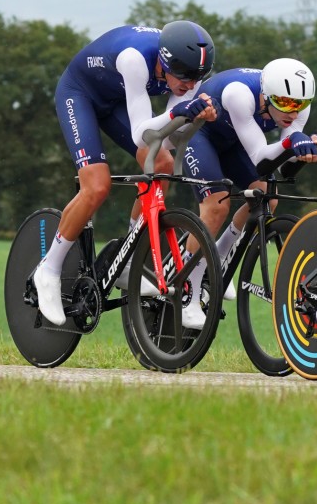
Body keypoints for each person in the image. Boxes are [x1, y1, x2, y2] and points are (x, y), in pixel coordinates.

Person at [34, 20, 218, 329]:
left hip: (115, 101)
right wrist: (179, 113)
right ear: (165, 61)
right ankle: (49, 269)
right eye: (184, 77)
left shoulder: (189, 74)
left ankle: (127, 256)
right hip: (79, 95)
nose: (189, 85)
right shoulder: (135, 60)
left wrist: (196, 120)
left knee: (162, 165)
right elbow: (140, 135)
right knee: (97, 186)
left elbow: (168, 138)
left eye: (198, 78)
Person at [178, 58, 317, 328]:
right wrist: (290, 142)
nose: (294, 113)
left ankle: (219, 260)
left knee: (266, 197)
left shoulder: (296, 108)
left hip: (236, 143)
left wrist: (309, 150)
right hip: (200, 137)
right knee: (217, 207)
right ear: (267, 96)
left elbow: (283, 168)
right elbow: (262, 159)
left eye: (301, 104)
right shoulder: (239, 94)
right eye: (285, 103)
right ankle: (187, 294)